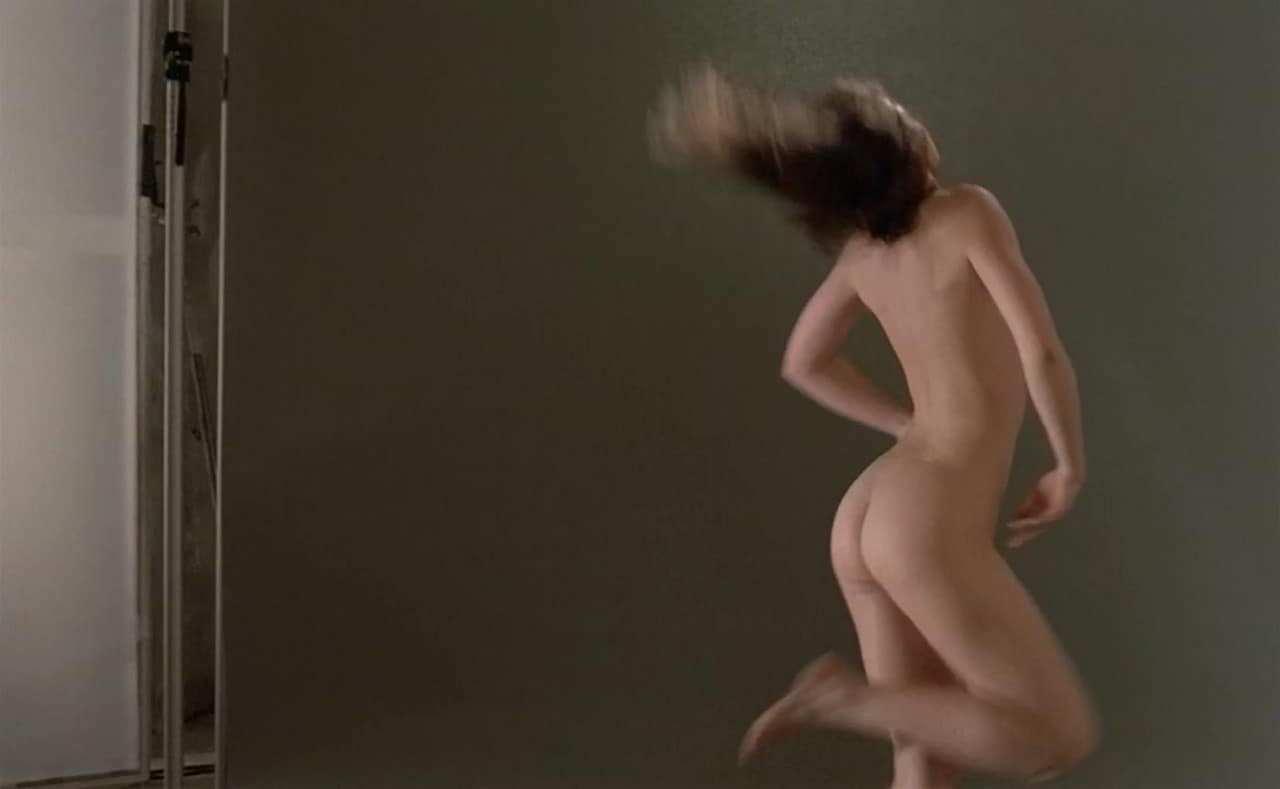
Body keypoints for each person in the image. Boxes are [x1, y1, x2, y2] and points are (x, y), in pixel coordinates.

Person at [648, 63, 1099, 788]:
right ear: (902, 146)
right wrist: (1068, 466)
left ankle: (853, 700)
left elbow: (803, 362)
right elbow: (1040, 351)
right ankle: (841, 698)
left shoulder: (864, 257)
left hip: (871, 510)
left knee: (923, 760)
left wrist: (908, 426)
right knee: (1058, 733)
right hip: (920, 523)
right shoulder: (969, 213)